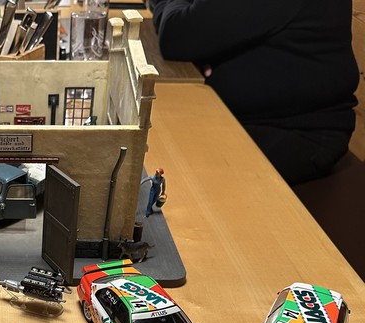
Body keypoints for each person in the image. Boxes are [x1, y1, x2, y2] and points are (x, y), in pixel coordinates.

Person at [149, 0, 359, 185]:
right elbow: (189, 30)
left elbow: (177, 34)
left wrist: (179, 17)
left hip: (294, 133)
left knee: (157, 162)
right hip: (243, 115)